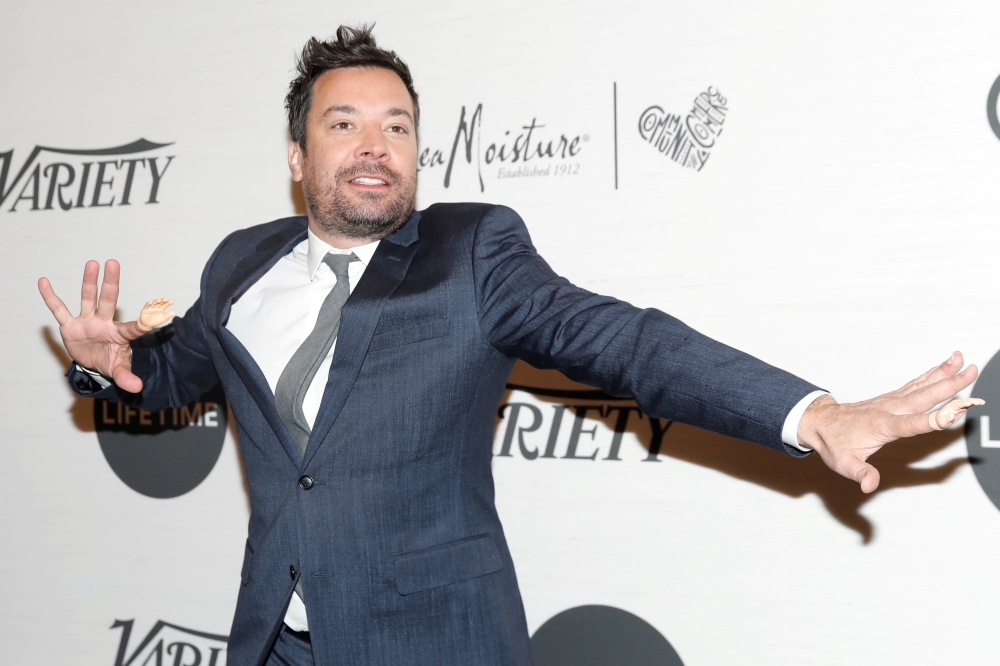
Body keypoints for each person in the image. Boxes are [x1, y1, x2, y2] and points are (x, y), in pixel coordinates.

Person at [37, 25, 978, 666]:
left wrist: (810, 414)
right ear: (297, 157)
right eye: (344, 124)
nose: (376, 146)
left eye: (397, 125)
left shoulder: (473, 252)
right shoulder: (241, 263)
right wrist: (107, 365)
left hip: (433, 642)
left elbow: (627, 343)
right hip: (276, 640)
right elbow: (167, 380)